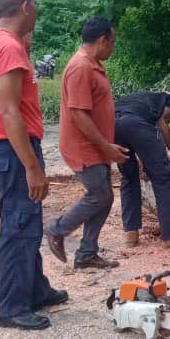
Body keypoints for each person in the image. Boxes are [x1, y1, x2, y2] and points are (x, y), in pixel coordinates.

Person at [0, 0, 67, 330]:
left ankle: (35, 289)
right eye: (36, 6)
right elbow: (10, 112)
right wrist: (32, 166)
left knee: (26, 223)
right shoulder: (8, 48)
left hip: (3, 151)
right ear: (26, 6)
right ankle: (11, 307)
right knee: (19, 228)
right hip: (13, 152)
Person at [44, 17, 126, 269]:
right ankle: (57, 229)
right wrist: (105, 146)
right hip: (84, 146)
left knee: (104, 196)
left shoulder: (92, 65)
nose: (112, 47)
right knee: (99, 195)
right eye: (112, 42)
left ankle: (86, 253)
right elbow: (79, 113)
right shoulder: (81, 67)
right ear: (102, 40)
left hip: (95, 145)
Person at [113, 91, 170, 249]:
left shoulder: (139, 100)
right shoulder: (165, 105)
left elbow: (133, 128)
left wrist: (145, 160)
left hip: (112, 124)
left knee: (128, 177)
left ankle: (131, 234)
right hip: (136, 124)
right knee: (163, 177)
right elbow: (162, 127)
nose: (167, 120)